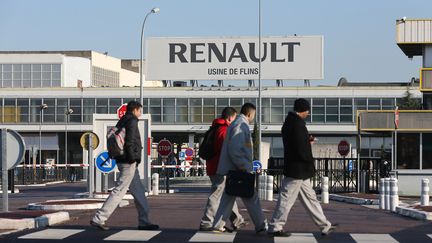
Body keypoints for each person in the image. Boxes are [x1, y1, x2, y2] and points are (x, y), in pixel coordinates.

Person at [268, 98, 336, 237]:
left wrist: (307, 141)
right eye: (307, 110)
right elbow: (300, 147)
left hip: (296, 168)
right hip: (298, 168)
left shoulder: (289, 122)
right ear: (303, 110)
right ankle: (275, 226)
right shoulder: (298, 125)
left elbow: (296, 143)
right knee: (287, 198)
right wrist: (309, 158)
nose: (308, 113)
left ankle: (324, 225)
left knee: (310, 198)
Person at [90, 101, 159, 231]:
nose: (140, 114)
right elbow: (130, 142)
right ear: (135, 110)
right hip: (128, 162)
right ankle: (99, 218)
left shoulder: (122, 120)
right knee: (119, 191)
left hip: (123, 160)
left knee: (139, 192)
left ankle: (144, 222)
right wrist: (133, 159)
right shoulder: (132, 120)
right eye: (140, 111)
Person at [212, 103, 267, 234]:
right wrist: (243, 166)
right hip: (239, 169)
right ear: (249, 114)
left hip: (234, 169)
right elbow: (235, 149)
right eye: (253, 115)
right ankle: (261, 225)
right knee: (251, 197)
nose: (253, 118)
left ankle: (218, 224)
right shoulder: (241, 125)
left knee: (228, 197)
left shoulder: (236, 123)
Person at [199, 107, 246, 231]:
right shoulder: (224, 130)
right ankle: (206, 221)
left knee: (227, 195)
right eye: (235, 118)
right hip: (220, 168)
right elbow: (226, 151)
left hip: (214, 166)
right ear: (230, 117)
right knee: (217, 195)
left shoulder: (215, 128)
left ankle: (238, 220)